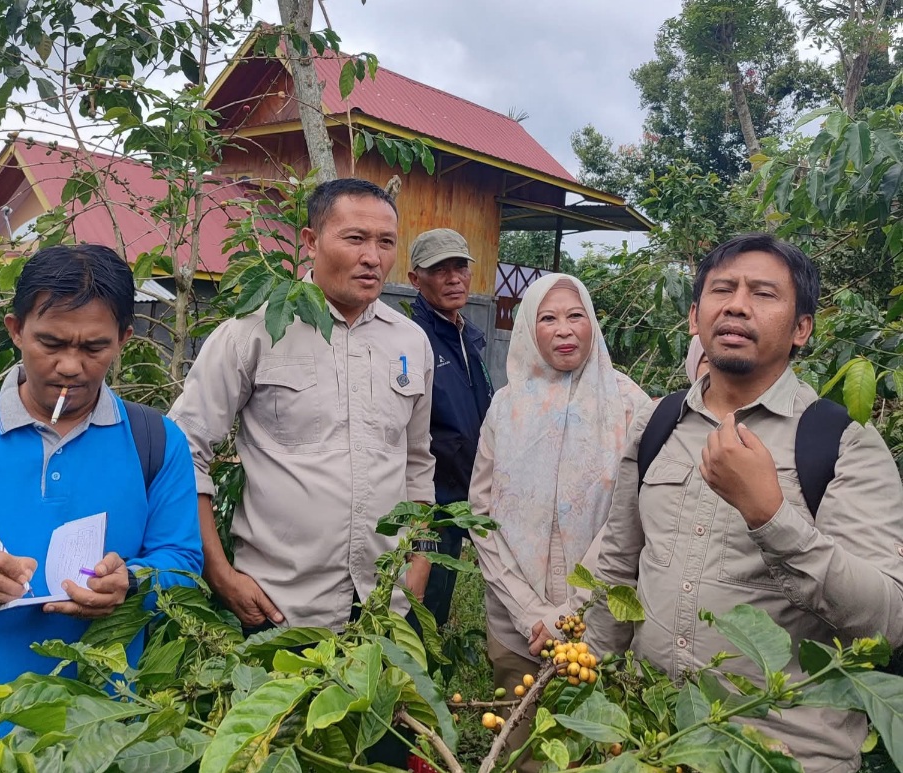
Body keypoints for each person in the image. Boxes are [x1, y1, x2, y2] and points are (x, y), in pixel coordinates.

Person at [585, 234, 903, 773]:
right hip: (652, 740)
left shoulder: (842, 444)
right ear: (695, 315)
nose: (736, 304)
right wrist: (587, 701)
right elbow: (619, 565)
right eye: (722, 289)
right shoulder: (658, 424)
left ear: (802, 328)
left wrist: (771, 516)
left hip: (786, 754)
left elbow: (887, 623)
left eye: (764, 293)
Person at [168, 178, 436, 635]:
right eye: (355, 238)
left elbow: (417, 464)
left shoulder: (410, 343)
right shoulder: (254, 331)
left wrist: (420, 566)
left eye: (386, 242)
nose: (372, 257)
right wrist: (219, 574)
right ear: (311, 241)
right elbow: (184, 451)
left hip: (383, 607)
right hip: (278, 606)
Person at [0, 244, 203, 687]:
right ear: (16, 330)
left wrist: (132, 583)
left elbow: (182, 563)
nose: (70, 366)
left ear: (123, 338)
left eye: (94, 348)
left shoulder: (156, 442)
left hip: (102, 728)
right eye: (51, 343)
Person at [469, 273, 649, 769]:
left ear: (593, 324)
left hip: (599, 623)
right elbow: (481, 516)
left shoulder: (631, 405)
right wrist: (530, 611)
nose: (564, 329)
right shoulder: (505, 407)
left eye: (576, 316)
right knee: (521, 746)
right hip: (516, 626)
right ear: (529, 328)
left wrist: (572, 611)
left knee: (594, 747)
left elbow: (629, 517)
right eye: (548, 318)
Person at [407, 228, 493, 628]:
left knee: (437, 608)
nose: (454, 277)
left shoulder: (468, 337)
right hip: (428, 504)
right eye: (439, 269)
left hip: (462, 497)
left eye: (460, 266)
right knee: (418, 608)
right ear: (414, 279)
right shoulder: (412, 339)